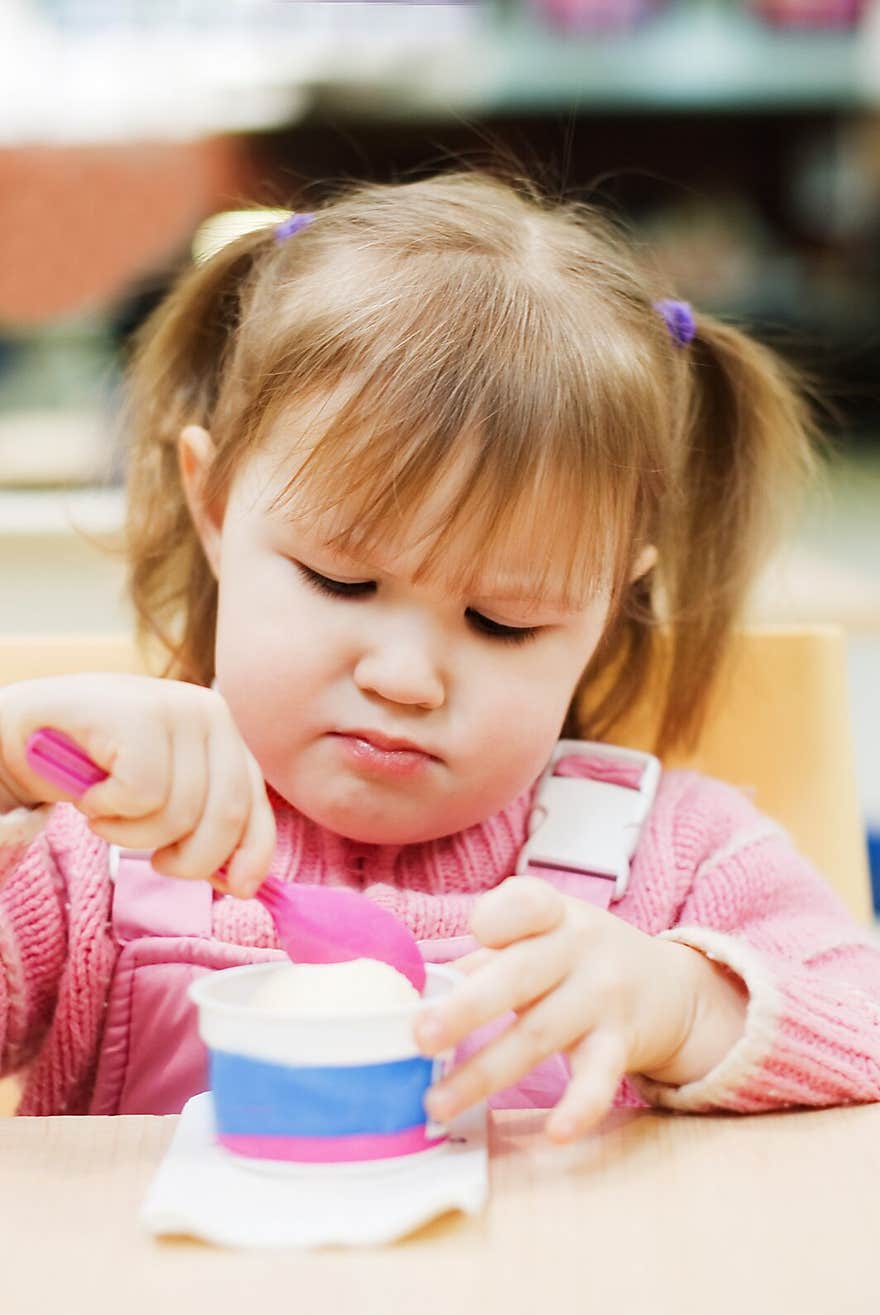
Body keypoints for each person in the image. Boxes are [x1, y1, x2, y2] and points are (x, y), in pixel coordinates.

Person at [1, 170, 878, 1141]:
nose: (406, 678)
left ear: (608, 605)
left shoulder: (675, 858)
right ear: (212, 507)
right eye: (340, 581)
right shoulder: (86, 849)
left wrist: (680, 1005)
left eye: (504, 622)